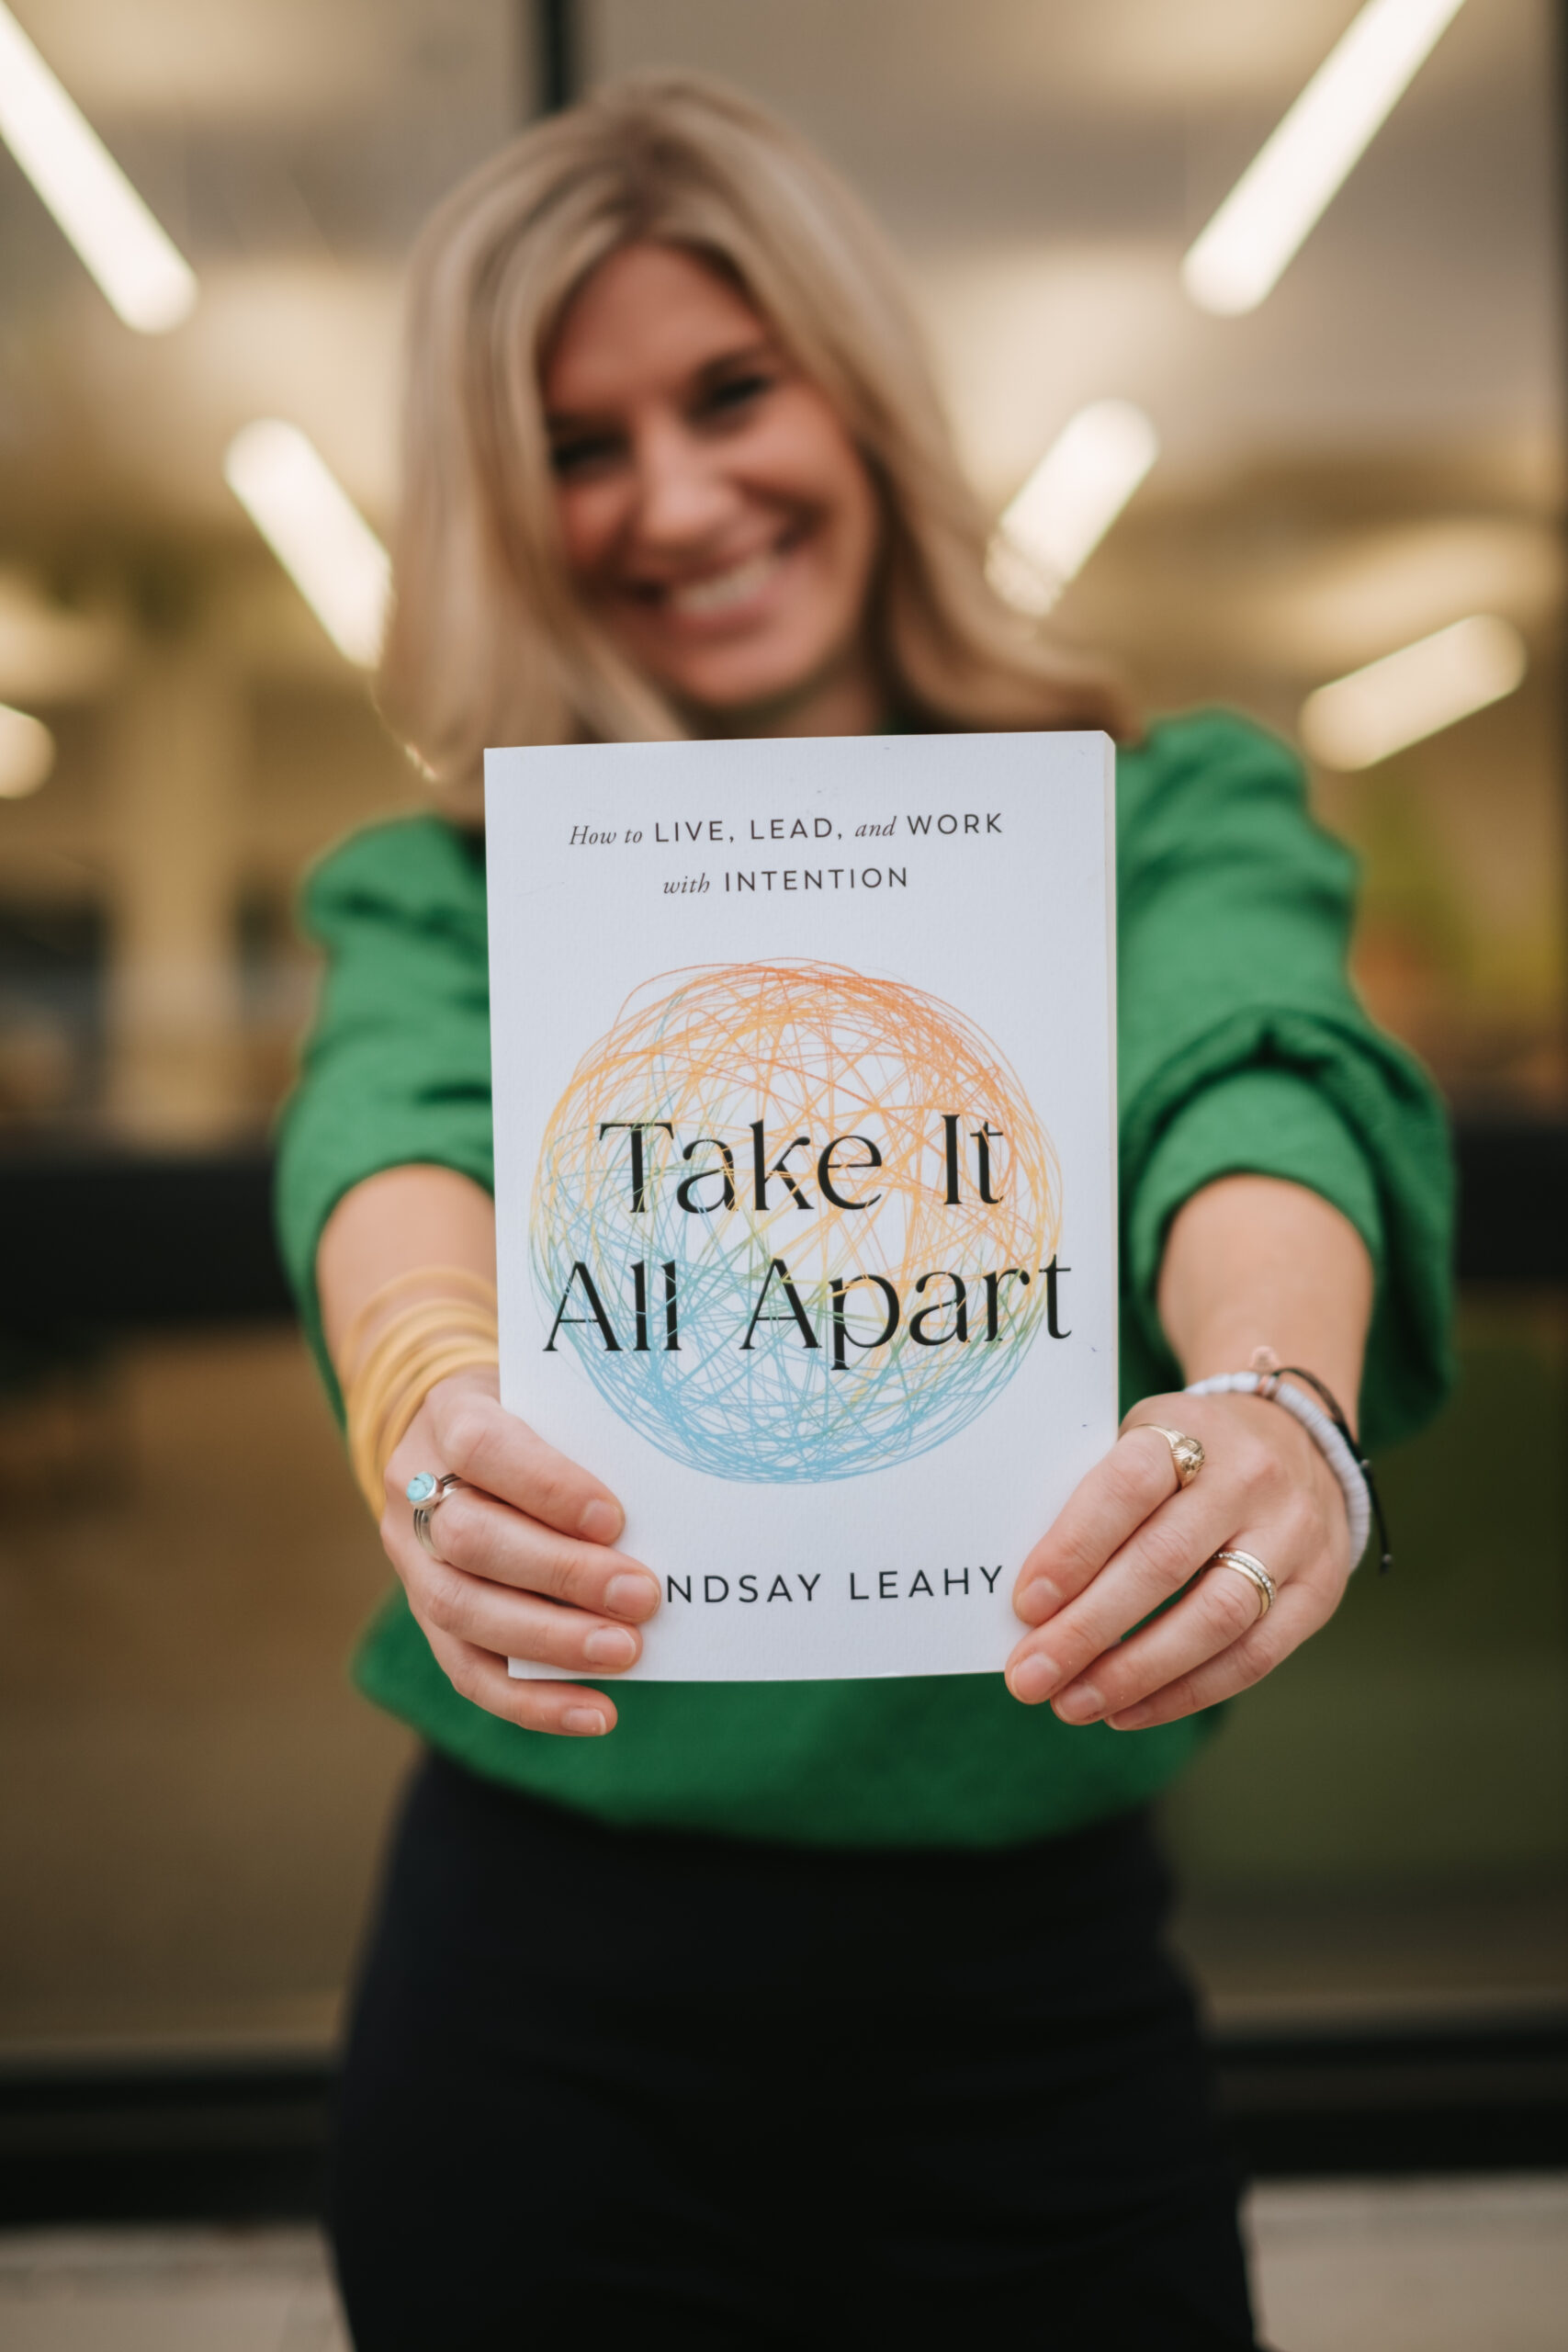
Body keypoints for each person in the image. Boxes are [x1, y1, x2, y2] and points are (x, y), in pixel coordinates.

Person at [276, 74, 1452, 2350]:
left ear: (863, 401)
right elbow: (386, 1134)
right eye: (579, 443)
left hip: (1029, 1973)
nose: (677, 496)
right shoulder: (455, 885)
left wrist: (1268, 1393)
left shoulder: (1163, 816)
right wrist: (427, 1394)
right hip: (539, 1989)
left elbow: (1244, 1074)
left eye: (730, 392)